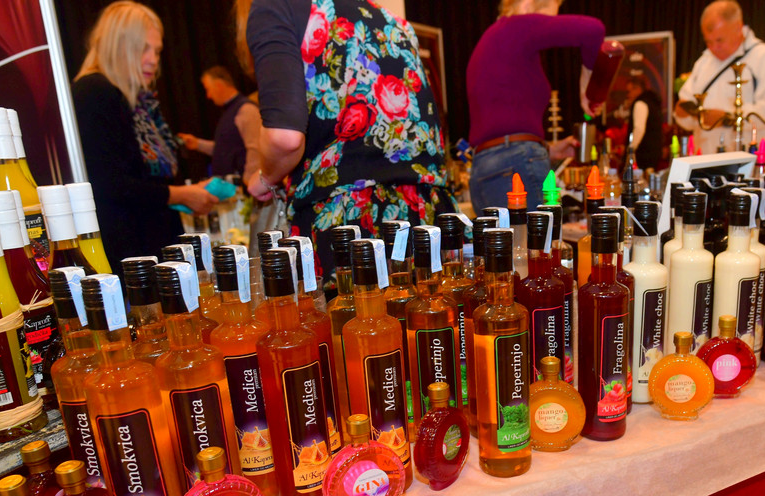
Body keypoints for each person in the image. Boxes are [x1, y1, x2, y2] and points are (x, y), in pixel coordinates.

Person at [241, 0, 457, 289]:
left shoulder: (276, 6)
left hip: (347, 225)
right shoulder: (393, 21)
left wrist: (266, 178)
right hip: (426, 216)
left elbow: (285, 139)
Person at [72, 1, 217, 274]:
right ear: (117, 46)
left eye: (157, 51)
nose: (153, 59)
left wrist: (186, 194)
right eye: (143, 49)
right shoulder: (94, 92)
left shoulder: (137, 100)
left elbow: (145, 182)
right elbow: (109, 184)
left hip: (150, 250)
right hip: (131, 259)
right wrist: (180, 194)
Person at [466, 0, 605, 213]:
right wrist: (587, 79)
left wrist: (549, 149)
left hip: (485, 169)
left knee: (508, 236)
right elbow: (593, 29)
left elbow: (502, 128)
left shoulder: (494, 40)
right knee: (538, 236)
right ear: (526, 5)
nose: (549, 25)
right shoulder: (516, 26)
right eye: (548, 18)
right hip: (514, 167)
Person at [674, 0, 765, 155]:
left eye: (719, 40)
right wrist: (684, 113)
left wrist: (728, 118)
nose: (714, 48)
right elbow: (688, 112)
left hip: (751, 158)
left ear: (738, 28)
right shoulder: (703, 62)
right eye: (708, 42)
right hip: (706, 160)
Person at [178, 66, 261, 183]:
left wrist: (249, 183)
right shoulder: (230, 111)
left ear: (219, 85)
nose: (208, 96)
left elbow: (256, 150)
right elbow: (226, 149)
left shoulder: (246, 109)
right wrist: (197, 144)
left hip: (243, 187)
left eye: (208, 89)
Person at [622, 73, 663, 171]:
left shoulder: (640, 103)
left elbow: (639, 129)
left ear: (637, 89)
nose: (628, 95)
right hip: (653, 153)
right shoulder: (652, 102)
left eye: (629, 91)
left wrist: (630, 150)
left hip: (642, 155)